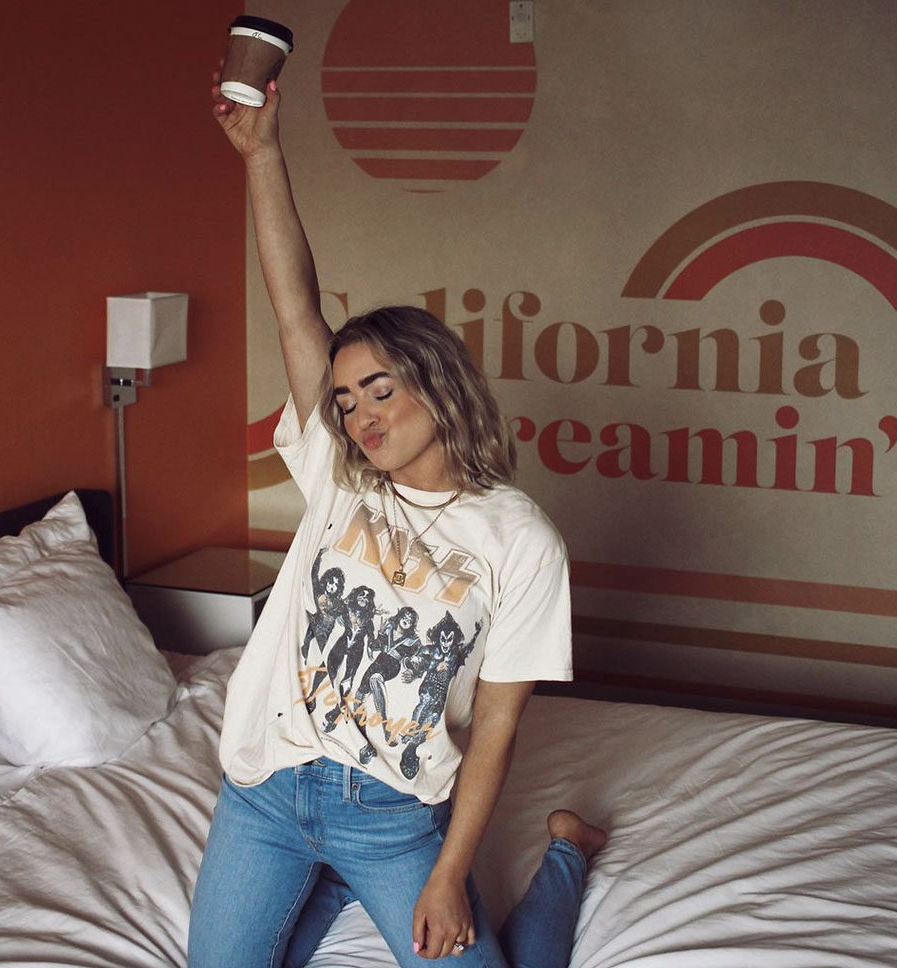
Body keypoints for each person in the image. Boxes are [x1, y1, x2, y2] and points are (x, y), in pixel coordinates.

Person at [187, 76, 606, 968]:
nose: (363, 415)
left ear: (437, 384)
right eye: (345, 400)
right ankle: (325, 875)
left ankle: (568, 854)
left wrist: (451, 872)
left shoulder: (520, 538)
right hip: (265, 794)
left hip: (390, 815)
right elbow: (295, 306)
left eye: (382, 389)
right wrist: (263, 154)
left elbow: (496, 725)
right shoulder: (342, 479)